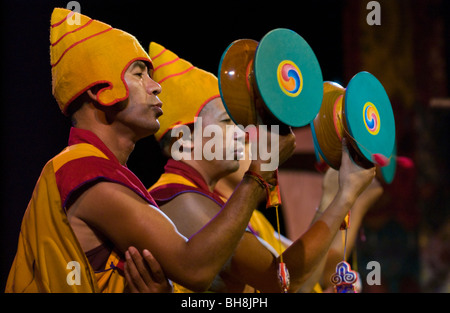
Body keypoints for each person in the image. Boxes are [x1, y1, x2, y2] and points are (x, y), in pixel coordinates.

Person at [5, 8, 295, 293]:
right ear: (99, 89)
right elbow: (194, 269)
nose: (156, 87)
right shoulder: (82, 172)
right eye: (139, 74)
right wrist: (259, 174)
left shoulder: (107, 173)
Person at [147, 42, 376, 293]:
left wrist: (336, 194)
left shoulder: (208, 199)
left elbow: (296, 278)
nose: (242, 133)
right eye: (227, 121)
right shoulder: (182, 198)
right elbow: (284, 284)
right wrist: (344, 196)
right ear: (184, 141)